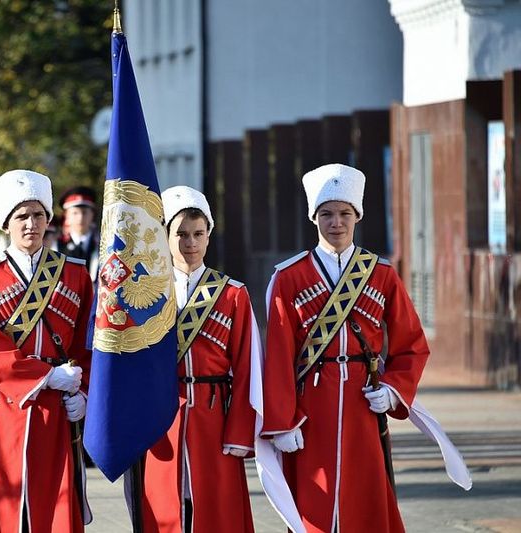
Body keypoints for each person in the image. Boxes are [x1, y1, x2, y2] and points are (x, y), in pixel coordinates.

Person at [262, 163, 429, 532]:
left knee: (366, 500)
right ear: (314, 218)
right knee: (314, 503)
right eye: (326, 214)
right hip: (311, 408)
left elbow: (412, 343)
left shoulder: (381, 273)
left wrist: (393, 388)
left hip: (362, 403)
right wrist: (282, 422)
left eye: (344, 214)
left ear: (357, 216)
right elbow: (276, 356)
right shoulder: (288, 277)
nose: (336, 222)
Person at [0, 169, 94, 532]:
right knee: (2, 505)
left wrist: (83, 389)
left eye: (37, 215)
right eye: (21, 216)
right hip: (3, 406)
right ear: (5, 223)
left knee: (54, 505)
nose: (30, 224)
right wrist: (47, 376)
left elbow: (88, 342)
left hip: (57, 408)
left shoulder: (76, 274)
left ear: (49, 219)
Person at [139, 186, 259, 533]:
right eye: (180, 234)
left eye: (198, 234)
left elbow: (248, 368)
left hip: (214, 418)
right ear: (165, 236)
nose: (189, 243)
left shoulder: (233, 294)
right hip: (162, 421)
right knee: (164, 510)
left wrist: (240, 432)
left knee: (216, 512)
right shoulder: (147, 292)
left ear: (209, 236)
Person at [54, 186, 99, 282]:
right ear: (66, 216)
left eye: (85, 212)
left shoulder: (102, 245)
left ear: (92, 215)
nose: (80, 218)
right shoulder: (57, 247)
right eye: (75, 213)